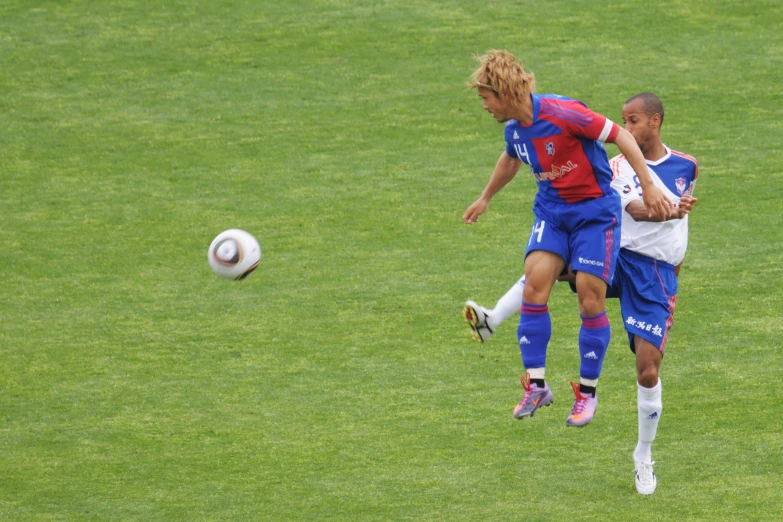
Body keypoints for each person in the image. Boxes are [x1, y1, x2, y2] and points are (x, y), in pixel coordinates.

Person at [464, 92, 699, 495]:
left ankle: (643, 455)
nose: (627, 128)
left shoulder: (687, 166)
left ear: (656, 121)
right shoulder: (615, 166)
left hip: (655, 273)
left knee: (647, 369)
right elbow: (639, 211)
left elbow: (679, 229)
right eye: (624, 121)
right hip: (621, 254)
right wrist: (667, 207)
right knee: (550, 269)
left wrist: (674, 265)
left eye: (634, 121)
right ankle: (495, 319)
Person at [462, 50, 672, 429]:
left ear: (505, 91)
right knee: (534, 284)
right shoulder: (514, 131)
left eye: (486, 97)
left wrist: (646, 184)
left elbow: (621, 134)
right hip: (553, 214)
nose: (484, 106)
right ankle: (537, 385)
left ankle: (587, 393)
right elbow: (511, 158)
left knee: (590, 296)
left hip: (595, 213)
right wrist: (485, 197)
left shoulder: (566, 113)